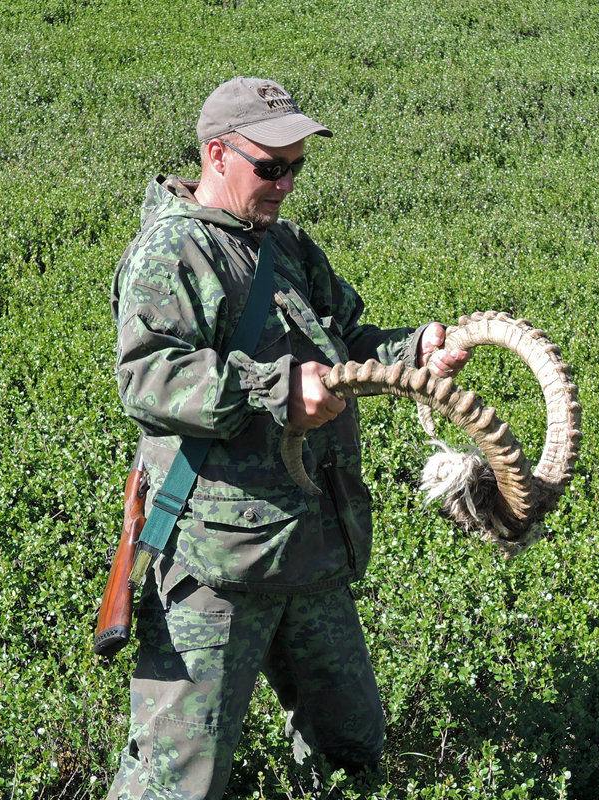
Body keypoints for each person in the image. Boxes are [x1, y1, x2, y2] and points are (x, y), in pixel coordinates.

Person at [106, 76, 469, 800]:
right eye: (270, 166)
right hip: (218, 563)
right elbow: (149, 377)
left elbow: (347, 342)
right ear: (216, 154)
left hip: (308, 549)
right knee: (179, 779)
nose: (286, 183)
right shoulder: (172, 253)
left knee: (352, 745)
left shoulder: (289, 246)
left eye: (296, 166)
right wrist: (276, 390)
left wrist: (414, 350)